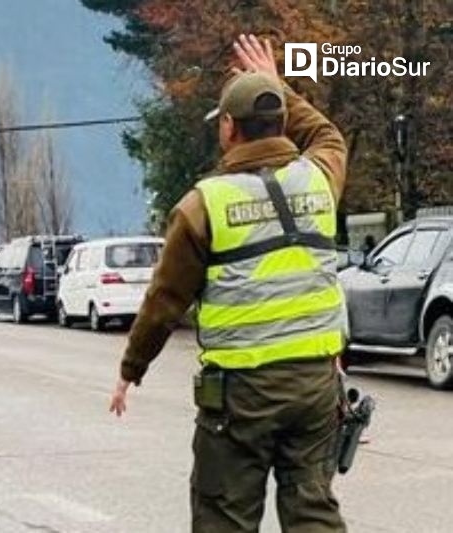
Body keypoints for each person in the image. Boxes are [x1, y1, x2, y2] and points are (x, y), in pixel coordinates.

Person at [109, 34, 349, 532]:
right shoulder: (319, 179)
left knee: (224, 517)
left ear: (228, 127)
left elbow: (165, 300)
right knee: (313, 512)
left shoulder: (203, 204)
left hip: (242, 397)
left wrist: (132, 368)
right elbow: (327, 135)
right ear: (280, 122)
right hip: (315, 389)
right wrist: (280, 88)